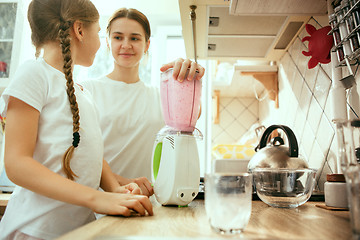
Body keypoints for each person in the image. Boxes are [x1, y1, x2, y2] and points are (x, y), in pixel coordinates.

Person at [0, 1, 153, 239]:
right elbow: (16, 163)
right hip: (35, 230)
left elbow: (88, 153)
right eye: (100, 32)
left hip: (78, 230)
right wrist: (98, 198)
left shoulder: (80, 91)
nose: (101, 41)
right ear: (80, 30)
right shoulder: (34, 73)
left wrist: (115, 188)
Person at [80, 8, 205, 196]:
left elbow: (191, 114)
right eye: (118, 37)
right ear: (107, 42)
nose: (126, 45)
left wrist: (188, 78)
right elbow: (79, 155)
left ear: (147, 44)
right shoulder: (86, 90)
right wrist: (118, 183)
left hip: (145, 202)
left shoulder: (161, 98)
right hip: (97, 203)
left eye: (135, 38)